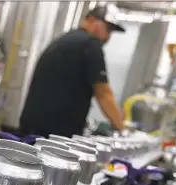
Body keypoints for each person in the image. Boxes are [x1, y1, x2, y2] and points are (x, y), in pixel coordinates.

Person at [18, 5, 126, 138]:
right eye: (108, 29)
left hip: (33, 127)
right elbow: (103, 93)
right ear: (91, 20)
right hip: (54, 136)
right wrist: (121, 129)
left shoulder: (65, 39)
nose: (108, 37)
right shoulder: (90, 44)